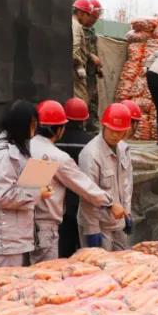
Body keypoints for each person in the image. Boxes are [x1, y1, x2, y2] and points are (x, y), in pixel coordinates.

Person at [31, 100, 121, 263]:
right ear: (58, 129)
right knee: (44, 277)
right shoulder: (53, 155)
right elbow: (84, 186)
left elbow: (30, 189)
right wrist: (109, 202)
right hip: (45, 225)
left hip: (25, 224)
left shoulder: (29, 148)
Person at [0, 100, 52, 267]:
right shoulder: (5, 156)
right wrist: (38, 192)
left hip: (11, 237)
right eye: (33, 124)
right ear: (22, 125)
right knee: (7, 287)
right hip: (6, 240)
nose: (34, 131)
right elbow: (4, 196)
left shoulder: (13, 148)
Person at [78, 103, 134, 251]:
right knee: (100, 270)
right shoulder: (91, 154)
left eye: (120, 131)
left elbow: (127, 184)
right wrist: (92, 229)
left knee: (121, 267)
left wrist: (127, 212)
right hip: (100, 225)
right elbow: (87, 194)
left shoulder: (123, 149)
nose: (115, 135)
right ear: (104, 126)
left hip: (118, 222)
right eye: (112, 130)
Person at [56, 97, 96, 257]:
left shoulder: (54, 143)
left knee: (63, 250)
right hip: (82, 201)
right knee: (83, 253)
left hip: (59, 204)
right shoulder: (91, 143)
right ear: (85, 120)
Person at [71, 0, 103, 130]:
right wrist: (79, 66)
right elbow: (75, 47)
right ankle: (78, 129)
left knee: (88, 98)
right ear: (81, 13)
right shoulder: (76, 26)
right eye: (88, 15)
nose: (89, 19)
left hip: (86, 69)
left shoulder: (81, 27)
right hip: (78, 70)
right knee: (81, 100)